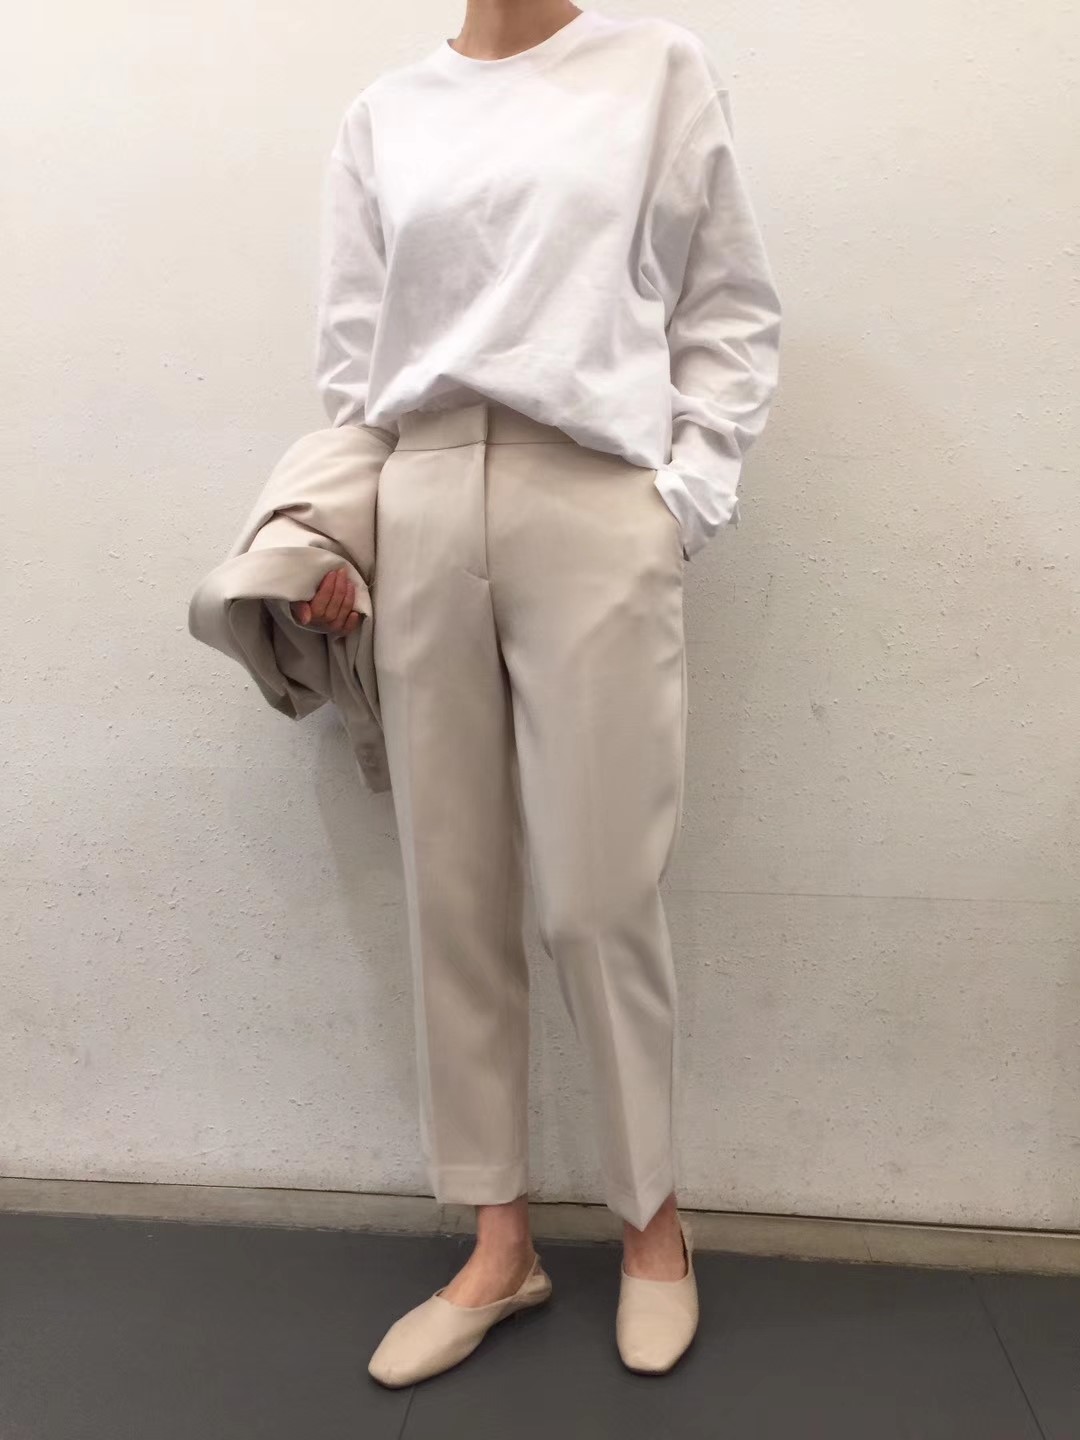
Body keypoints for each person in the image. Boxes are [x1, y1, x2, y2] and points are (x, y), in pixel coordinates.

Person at [298, 0, 782, 1384]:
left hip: (594, 492)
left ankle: (652, 1228)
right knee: (452, 887)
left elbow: (729, 306)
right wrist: (347, 531)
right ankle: (498, 1244)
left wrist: (679, 501)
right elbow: (354, 363)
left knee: (596, 895)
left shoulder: (655, 69)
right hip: (423, 492)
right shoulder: (386, 114)